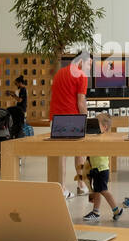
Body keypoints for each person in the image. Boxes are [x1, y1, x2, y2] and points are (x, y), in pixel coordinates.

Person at [50, 50, 90, 194]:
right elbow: (81, 102)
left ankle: (62, 188)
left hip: (57, 117)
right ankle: (81, 185)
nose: (89, 68)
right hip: (73, 118)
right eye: (88, 64)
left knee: (62, 154)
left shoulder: (59, 73)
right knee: (80, 152)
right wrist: (86, 119)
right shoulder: (81, 75)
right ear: (81, 61)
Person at [82, 119, 123, 222]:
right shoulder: (94, 138)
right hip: (96, 169)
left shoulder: (103, 138)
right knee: (97, 191)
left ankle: (116, 210)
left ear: (104, 127)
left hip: (101, 169)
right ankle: (96, 212)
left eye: (97, 125)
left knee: (103, 191)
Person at [6, 74, 28, 138]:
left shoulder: (23, 89)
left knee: (19, 123)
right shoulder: (22, 89)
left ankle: (18, 134)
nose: (16, 85)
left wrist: (13, 95)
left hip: (21, 109)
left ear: (20, 83)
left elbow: (19, 100)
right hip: (20, 108)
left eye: (16, 84)